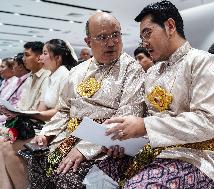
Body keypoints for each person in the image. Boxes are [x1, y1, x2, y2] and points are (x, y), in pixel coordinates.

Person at [96, 1, 214, 188]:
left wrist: (144, 126)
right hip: (153, 151)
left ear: (170, 26)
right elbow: (145, 120)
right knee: (96, 174)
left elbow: (207, 122)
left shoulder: (203, 62)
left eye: (147, 33)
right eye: (142, 37)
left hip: (196, 156)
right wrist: (122, 139)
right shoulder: (153, 72)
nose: (144, 43)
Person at [27, 12, 145, 189]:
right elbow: (65, 110)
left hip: (107, 145)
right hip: (69, 137)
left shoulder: (132, 70)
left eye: (116, 35)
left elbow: (126, 118)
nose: (111, 42)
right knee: (35, 162)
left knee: (68, 177)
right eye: (102, 37)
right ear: (88, 42)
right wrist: (46, 133)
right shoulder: (77, 72)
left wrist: (84, 149)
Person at [0, 41, 50, 189]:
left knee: (6, 147)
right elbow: (22, 107)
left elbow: (40, 111)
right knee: (3, 144)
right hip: (25, 122)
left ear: (38, 57)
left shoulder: (47, 77)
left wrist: (17, 114)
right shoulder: (30, 78)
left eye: (27, 55)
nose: (23, 59)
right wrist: (12, 113)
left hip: (37, 126)